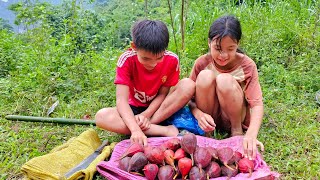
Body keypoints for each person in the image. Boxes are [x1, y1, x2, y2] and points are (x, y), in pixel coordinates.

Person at [95, 19, 194, 146]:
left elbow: (162, 95)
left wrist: (146, 115)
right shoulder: (126, 60)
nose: (152, 64)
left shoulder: (172, 60)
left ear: (165, 49)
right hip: (133, 109)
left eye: (159, 58)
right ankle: (163, 130)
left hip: (160, 110)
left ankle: (148, 125)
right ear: (134, 47)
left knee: (188, 84)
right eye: (146, 58)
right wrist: (135, 129)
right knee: (101, 116)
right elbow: (121, 101)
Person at [188, 15, 265, 160]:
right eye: (218, 48)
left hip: (234, 116)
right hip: (211, 117)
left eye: (230, 49)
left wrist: (251, 134)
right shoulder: (201, 63)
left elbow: (257, 103)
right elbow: (189, 100)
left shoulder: (247, 65)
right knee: (205, 76)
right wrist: (199, 115)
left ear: (238, 45)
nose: (223, 55)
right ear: (209, 43)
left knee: (224, 80)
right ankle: (208, 134)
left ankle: (237, 132)